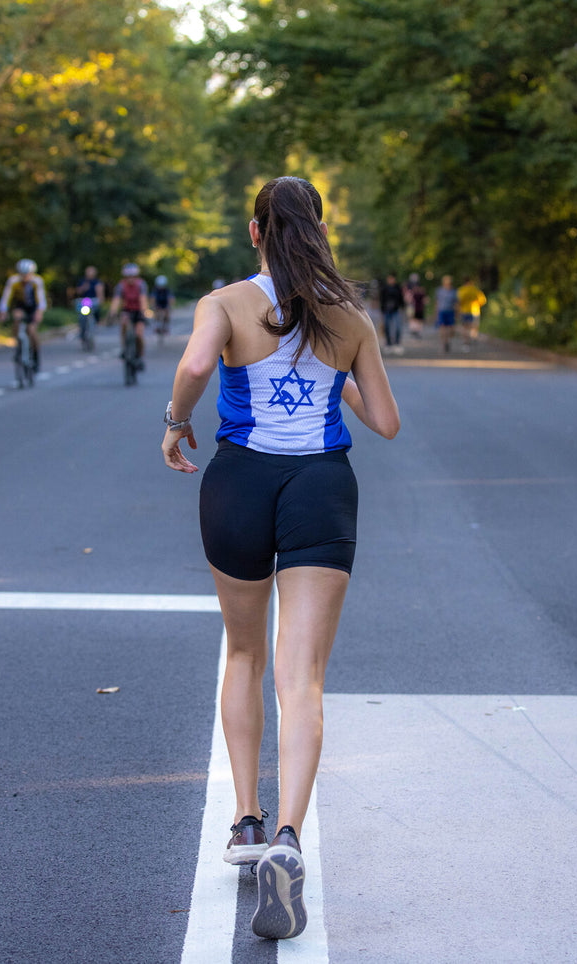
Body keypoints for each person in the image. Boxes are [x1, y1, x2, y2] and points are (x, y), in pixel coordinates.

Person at [161, 176, 400, 941]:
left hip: (239, 483)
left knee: (243, 653)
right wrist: (335, 370)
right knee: (304, 679)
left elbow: (198, 368)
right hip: (321, 488)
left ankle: (245, 821)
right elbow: (386, 422)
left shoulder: (225, 304)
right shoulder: (348, 318)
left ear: (256, 232)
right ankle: (289, 840)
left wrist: (174, 421)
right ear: (319, 232)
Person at [0, 259, 46, 369]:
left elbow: (41, 299)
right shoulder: (13, 281)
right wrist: (3, 311)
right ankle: (18, 345)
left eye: (27, 274)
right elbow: (6, 297)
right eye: (23, 274)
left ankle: (36, 355)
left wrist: (39, 312)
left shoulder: (37, 281)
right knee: (17, 318)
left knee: (31, 330)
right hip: (20, 306)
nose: (25, 277)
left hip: (33, 307)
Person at [111, 263, 148, 372]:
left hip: (139, 311)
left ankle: (140, 356)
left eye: (133, 276)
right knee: (123, 323)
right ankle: (124, 349)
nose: (131, 279)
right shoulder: (121, 286)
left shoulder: (141, 284)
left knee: (139, 334)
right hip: (127, 310)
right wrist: (112, 312)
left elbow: (143, 299)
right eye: (128, 277)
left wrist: (144, 312)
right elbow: (116, 300)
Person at [456, 277, 487, 348]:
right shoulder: (475, 290)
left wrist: (458, 310)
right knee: (474, 326)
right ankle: (473, 337)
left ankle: (466, 341)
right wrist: (477, 305)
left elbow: (458, 301)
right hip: (475, 311)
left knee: (464, 327)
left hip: (464, 311)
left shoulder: (461, 290)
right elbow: (483, 300)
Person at [378, 272, 405, 353]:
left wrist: (402, 307)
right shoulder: (385, 288)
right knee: (386, 327)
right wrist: (382, 310)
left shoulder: (397, 287)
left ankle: (397, 344)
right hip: (386, 310)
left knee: (397, 327)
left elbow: (401, 298)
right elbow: (382, 300)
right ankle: (388, 344)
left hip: (396, 310)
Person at [435, 274, 457, 353]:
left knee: (451, 329)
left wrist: (457, 314)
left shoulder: (453, 291)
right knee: (442, 328)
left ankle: (448, 341)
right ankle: (444, 343)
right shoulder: (439, 291)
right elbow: (437, 302)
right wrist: (436, 313)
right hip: (442, 311)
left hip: (450, 311)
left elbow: (456, 303)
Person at [152, 274, 174, 340]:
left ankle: (166, 326)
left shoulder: (167, 290)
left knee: (167, 313)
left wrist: (169, 306)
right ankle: (157, 325)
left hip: (165, 304)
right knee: (156, 313)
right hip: (158, 304)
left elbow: (171, 299)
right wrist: (154, 306)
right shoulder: (155, 290)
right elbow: (152, 298)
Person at [406, 272, 427, 339]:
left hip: (419, 307)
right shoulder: (410, 289)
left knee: (418, 319)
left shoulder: (420, 290)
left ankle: (417, 331)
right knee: (413, 318)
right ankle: (414, 330)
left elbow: (424, 299)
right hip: (413, 306)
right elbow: (408, 298)